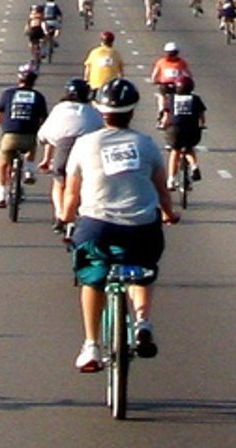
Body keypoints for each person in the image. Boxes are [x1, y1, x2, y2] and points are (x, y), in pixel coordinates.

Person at [61, 78, 178, 373]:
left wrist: (64, 217)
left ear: (101, 111)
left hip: (96, 225)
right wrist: (169, 213)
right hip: (141, 226)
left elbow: (72, 194)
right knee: (142, 269)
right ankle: (142, 321)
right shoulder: (146, 144)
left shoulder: (85, 144)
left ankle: (91, 346)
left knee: (92, 278)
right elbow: (162, 192)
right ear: (133, 111)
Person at [37, 77, 101, 231]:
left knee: (59, 182)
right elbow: (103, 131)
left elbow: (45, 134)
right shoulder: (92, 111)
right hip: (88, 150)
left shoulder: (60, 109)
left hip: (64, 148)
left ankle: (60, 214)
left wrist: (46, 157)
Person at [0, 63, 49, 207]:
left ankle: (0, 195)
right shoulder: (38, 96)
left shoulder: (8, 94)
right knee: (33, 139)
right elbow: (43, 120)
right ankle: (29, 168)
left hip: (10, 136)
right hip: (29, 138)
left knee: (2, 165)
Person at [161, 74, 207, 193]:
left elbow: (166, 116)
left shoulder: (171, 98)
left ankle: (171, 180)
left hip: (175, 130)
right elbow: (202, 116)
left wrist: (163, 125)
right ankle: (194, 166)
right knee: (189, 148)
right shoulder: (195, 99)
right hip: (192, 130)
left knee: (175, 150)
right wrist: (202, 124)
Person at [148, 43, 192, 125]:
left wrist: (153, 80)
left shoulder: (161, 61)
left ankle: (161, 109)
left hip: (164, 85)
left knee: (162, 96)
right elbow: (187, 73)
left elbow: (155, 74)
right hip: (178, 85)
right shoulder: (181, 62)